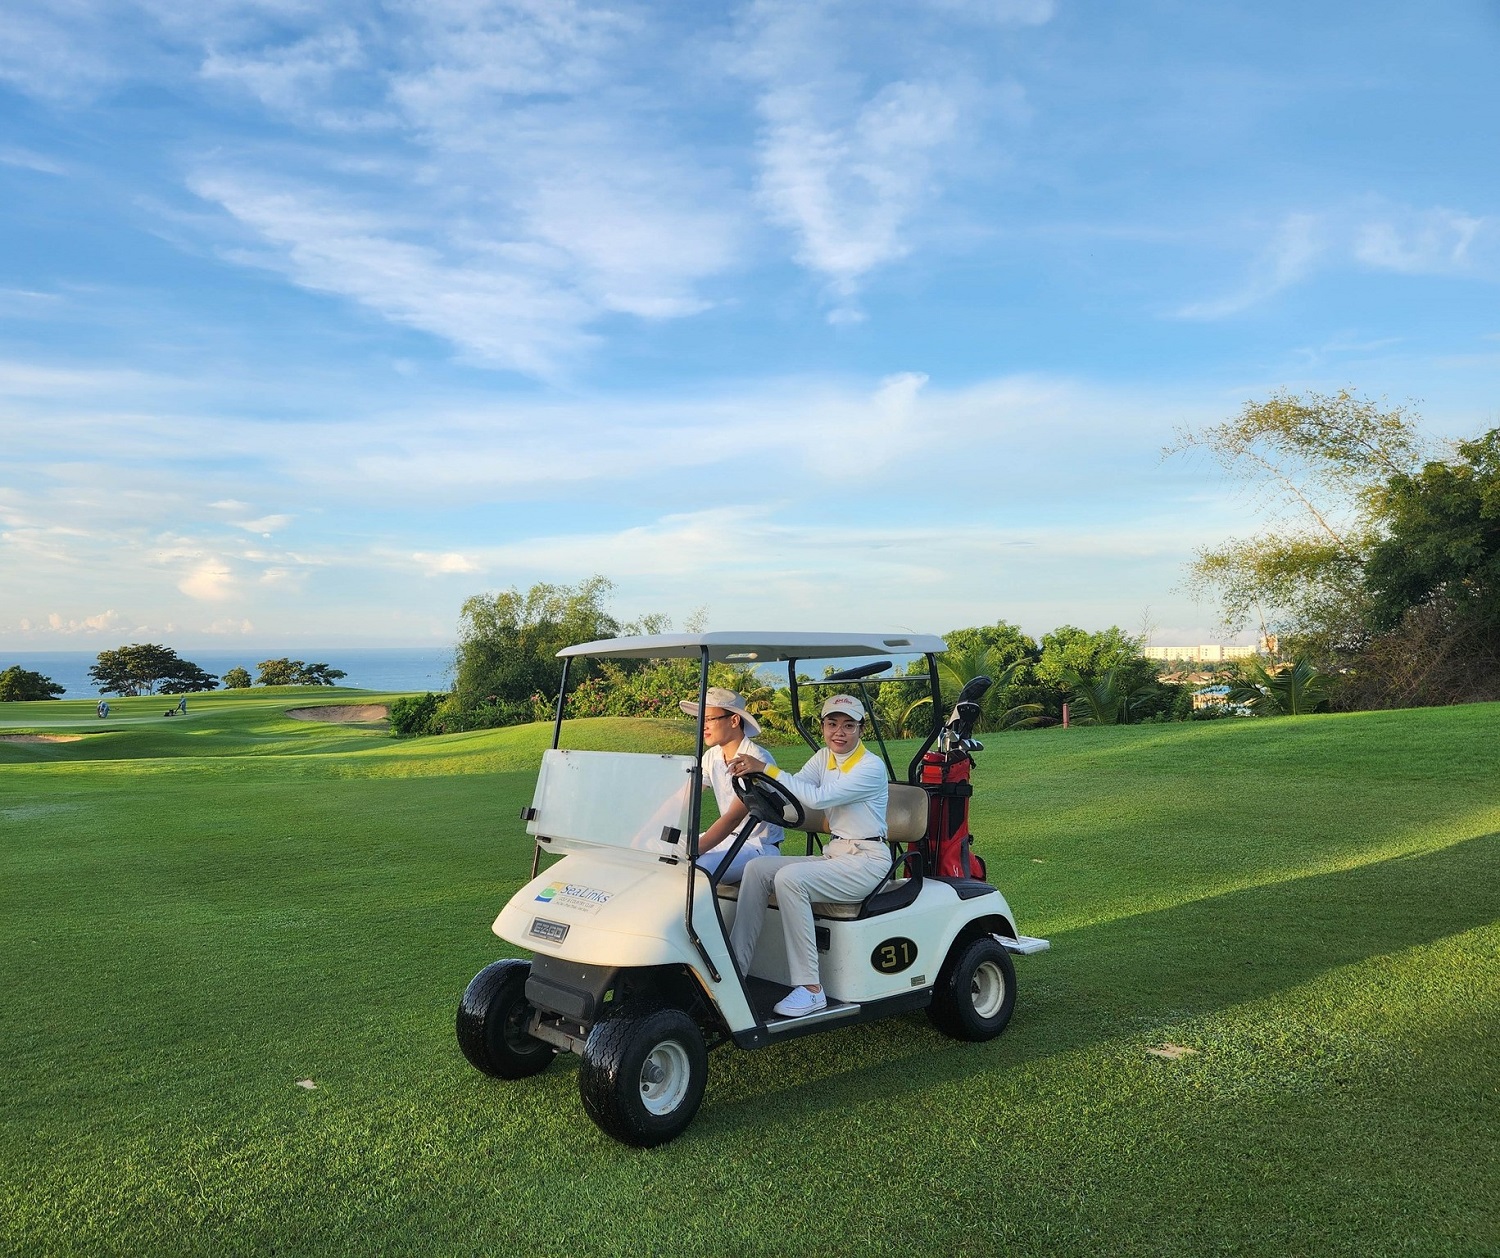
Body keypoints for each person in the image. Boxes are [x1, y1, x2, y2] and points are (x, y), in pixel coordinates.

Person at [726, 693, 889, 1018]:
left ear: (861, 729)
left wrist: (767, 769)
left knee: (790, 879)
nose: (839, 732)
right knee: (758, 868)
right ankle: (734, 969)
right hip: (837, 854)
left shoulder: (871, 767)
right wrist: (756, 781)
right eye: (832, 724)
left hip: (868, 861)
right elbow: (794, 789)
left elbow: (818, 798)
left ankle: (811, 990)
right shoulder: (824, 758)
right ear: (823, 726)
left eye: (848, 725)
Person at [679, 688, 783, 883]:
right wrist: (646, 833)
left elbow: (733, 818)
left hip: (758, 846)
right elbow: (684, 797)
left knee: (697, 869)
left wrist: (694, 850)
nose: (703, 726)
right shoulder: (712, 756)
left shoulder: (756, 759)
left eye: (709, 719)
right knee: (659, 850)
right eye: (702, 719)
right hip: (730, 840)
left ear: (734, 720)